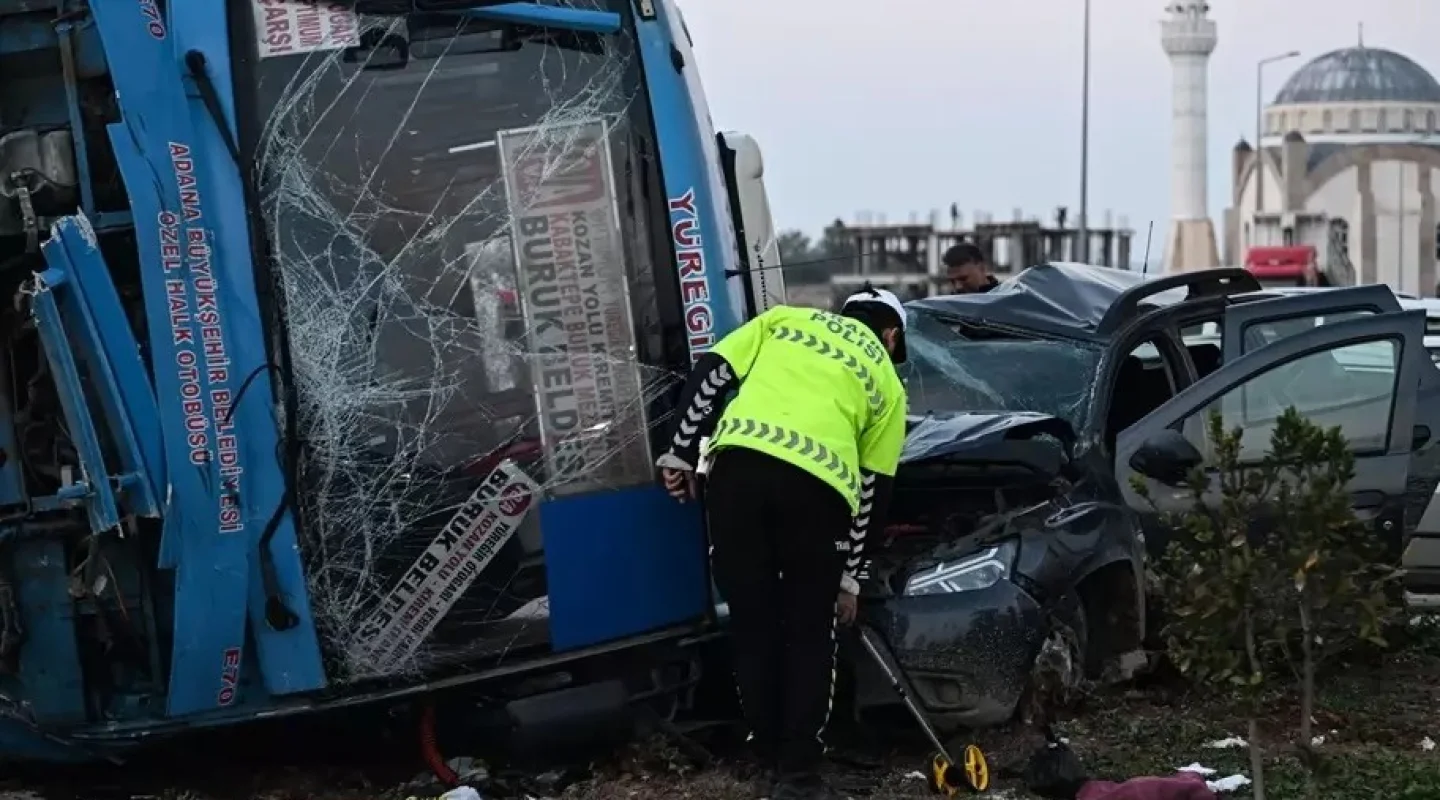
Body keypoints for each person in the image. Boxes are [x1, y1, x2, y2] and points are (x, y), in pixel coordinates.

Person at [656, 288, 910, 800]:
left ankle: (768, 750)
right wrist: (850, 578)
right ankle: (798, 776)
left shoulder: (783, 320)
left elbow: (712, 374)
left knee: (752, 623)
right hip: (817, 495)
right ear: (891, 335)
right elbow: (871, 490)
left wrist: (682, 451)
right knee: (809, 632)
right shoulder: (885, 375)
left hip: (736, 473)